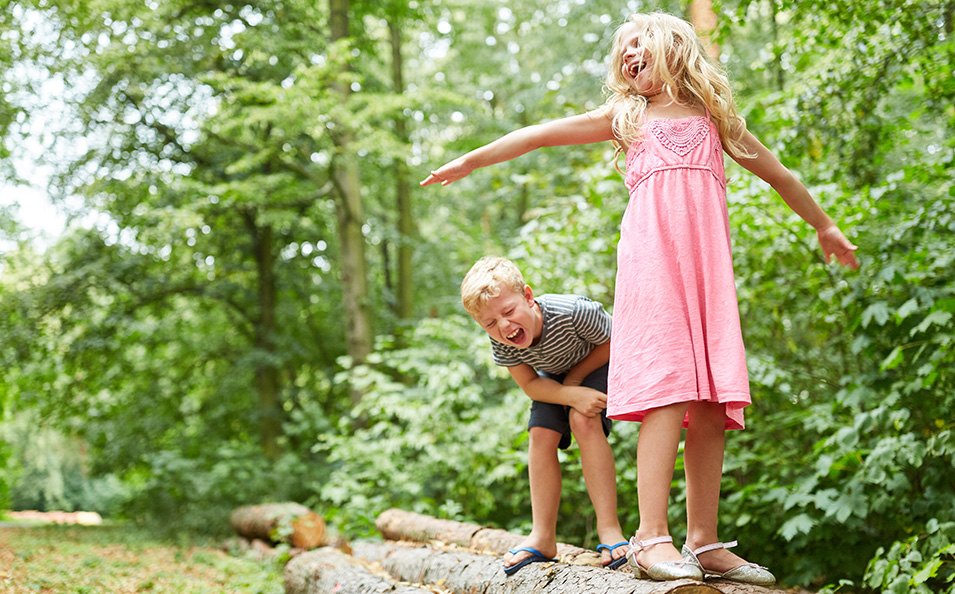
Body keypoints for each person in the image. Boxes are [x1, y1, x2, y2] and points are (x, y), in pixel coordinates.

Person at [423, 12, 860, 585]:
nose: (629, 54)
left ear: (673, 47)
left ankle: (704, 541)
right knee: (667, 392)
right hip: (652, 273)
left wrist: (825, 226)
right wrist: (470, 160)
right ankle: (651, 537)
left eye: (639, 43)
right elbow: (538, 134)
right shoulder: (627, 118)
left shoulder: (715, 118)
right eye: (623, 48)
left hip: (707, 275)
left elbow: (779, 174)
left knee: (710, 399)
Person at [460, 256, 629, 575]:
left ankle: (610, 530)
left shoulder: (574, 312)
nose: (504, 327)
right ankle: (543, 536)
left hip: (600, 362)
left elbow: (615, 341)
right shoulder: (503, 343)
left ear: (528, 296)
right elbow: (531, 385)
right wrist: (569, 392)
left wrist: (575, 381)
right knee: (540, 433)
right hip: (553, 380)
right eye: (490, 323)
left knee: (583, 420)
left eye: (508, 312)